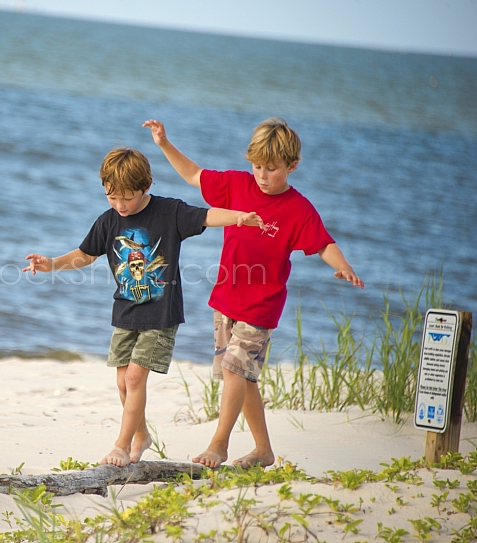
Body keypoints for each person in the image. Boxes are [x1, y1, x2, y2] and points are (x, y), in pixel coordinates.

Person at [143, 118, 364, 469]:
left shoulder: (298, 209)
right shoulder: (236, 184)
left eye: (271, 169)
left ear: (292, 166)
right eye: (257, 166)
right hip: (226, 299)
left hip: (261, 306)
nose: (262, 175)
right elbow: (194, 175)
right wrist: (164, 144)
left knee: (234, 370)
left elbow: (323, 243)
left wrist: (343, 265)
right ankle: (263, 450)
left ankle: (219, 445)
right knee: (242, 377)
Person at [23, 147, 264, 467]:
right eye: (112, 197)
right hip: (125, 313)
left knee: (135, 378)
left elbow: (206, 215)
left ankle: (121, 446)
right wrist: (53, 263)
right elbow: (86, 254)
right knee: (123, 382)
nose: (120, 205)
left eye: (127, 198)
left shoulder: (169, 212)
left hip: (160, 316)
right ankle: (141, 436)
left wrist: (238, 217)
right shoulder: (108, 220)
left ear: (145, 186)